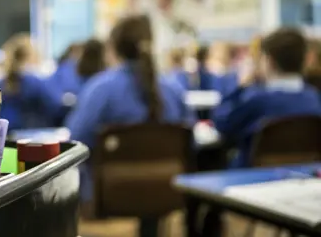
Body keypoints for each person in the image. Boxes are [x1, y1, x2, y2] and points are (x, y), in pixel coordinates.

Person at [65, 15, 194, 237]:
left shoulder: (101, 89)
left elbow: (75, 140)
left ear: (113, 48)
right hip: (167, 191)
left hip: (111, 194)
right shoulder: (174, 90)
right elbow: (190, 140)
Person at [212, 28, 321, 168]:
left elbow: (222, 123)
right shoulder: (314, 98)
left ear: (269, 62)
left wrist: (241, 86)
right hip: (304, 175)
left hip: (251, 178)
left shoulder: (258, 100)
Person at [0, 34, 62, 130]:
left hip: (5, 134)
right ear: (32, 56)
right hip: (32, 135)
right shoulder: (35, 82)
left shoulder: (0, 83)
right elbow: (55, 106)